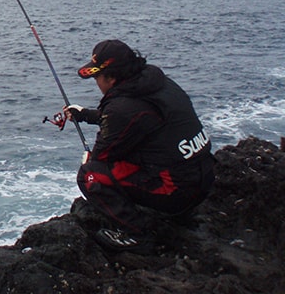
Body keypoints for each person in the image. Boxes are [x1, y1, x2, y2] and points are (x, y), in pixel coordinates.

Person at [64, 39, 215, 254]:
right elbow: (135, 120)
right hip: (204, 179)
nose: (96, 81)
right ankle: (179, 216)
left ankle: (138, 234)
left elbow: (102, 156)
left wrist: (90, 161)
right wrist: (86, 115)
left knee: (90, 176)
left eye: (97, 76)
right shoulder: (157, 84)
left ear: (112, 77)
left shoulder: (122, 108)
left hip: (179, 193)